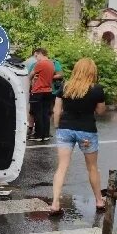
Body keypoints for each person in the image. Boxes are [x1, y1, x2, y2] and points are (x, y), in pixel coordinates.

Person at [49, 58, 106, 215]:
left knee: (62, 167)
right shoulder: (97, 89)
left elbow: (57, 110)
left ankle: (55, 204)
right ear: (92, 72)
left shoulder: (65, 86)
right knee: (92, 168)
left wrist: (57, 127)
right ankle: (100, 202)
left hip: (65, 130)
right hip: (87, 131)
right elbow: (101, 112)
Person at [28, 48, 55, 141]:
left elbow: (30, 75)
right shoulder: (51, 63)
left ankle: (38, 135)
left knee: (37, 114)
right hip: (48, 91)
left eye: (36, 56)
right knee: (45, 114)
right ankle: (46, 134)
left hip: (38, 91)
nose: (36, 58)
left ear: (40, 54)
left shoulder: (40, 63)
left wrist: (31, 78)